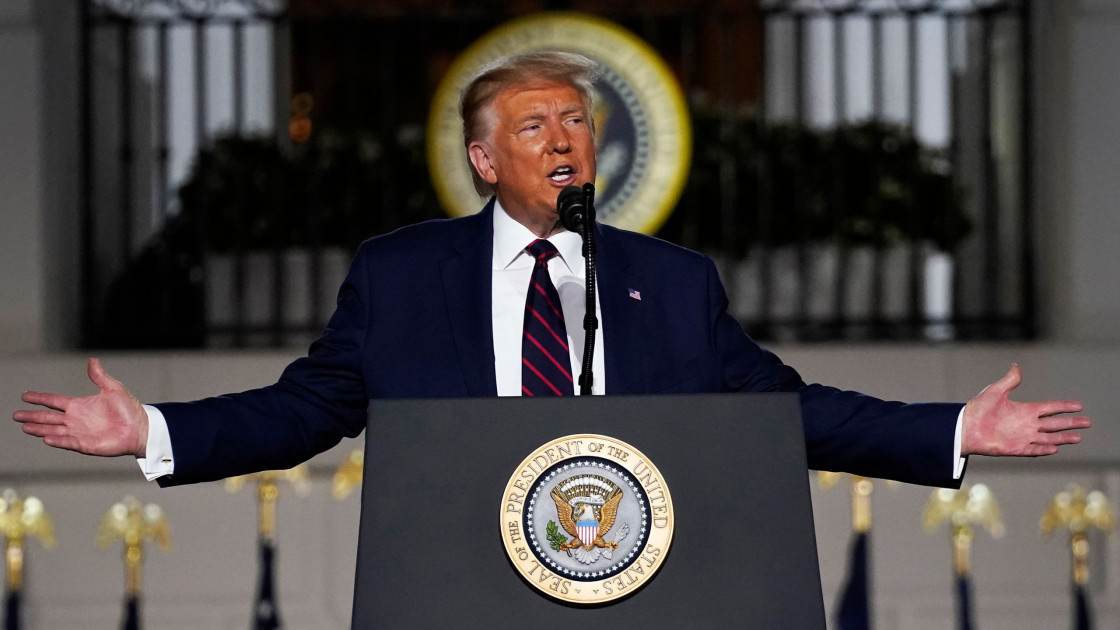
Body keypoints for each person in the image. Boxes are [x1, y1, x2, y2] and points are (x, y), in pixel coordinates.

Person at [12, 51, 1088, 488]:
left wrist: (952, 431)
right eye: (535, 126)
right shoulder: (402, 274)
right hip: (456, 571)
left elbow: (781, 412)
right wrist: (151, 431)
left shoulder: (669, 280)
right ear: (485, 158)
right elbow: (310, 407)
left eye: (577, 120)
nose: (566, 140)